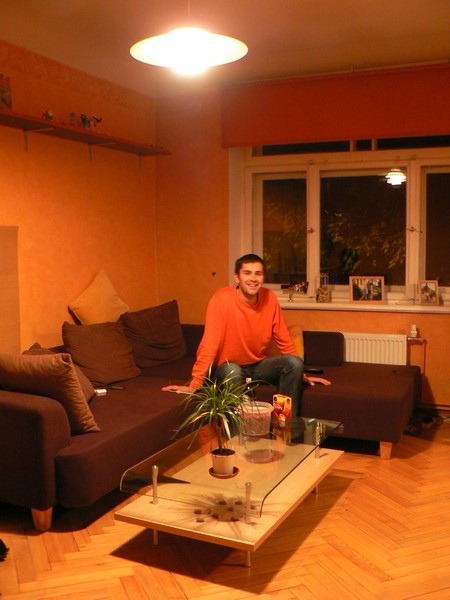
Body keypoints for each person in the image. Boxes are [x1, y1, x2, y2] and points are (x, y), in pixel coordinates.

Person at [162, 253, 330, 415]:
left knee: (294, 363)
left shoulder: (270, 298)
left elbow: (283, 337)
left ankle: (283, 422)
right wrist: (195, 384)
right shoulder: (221, 299)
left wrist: (300, 375)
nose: (253, 278)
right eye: (247, 273)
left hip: (257, 366)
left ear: (263, 277)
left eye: (258, 273)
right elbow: (210, 342)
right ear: (237, 277)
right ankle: (241, 430)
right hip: (226, 367)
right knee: (233, 370)